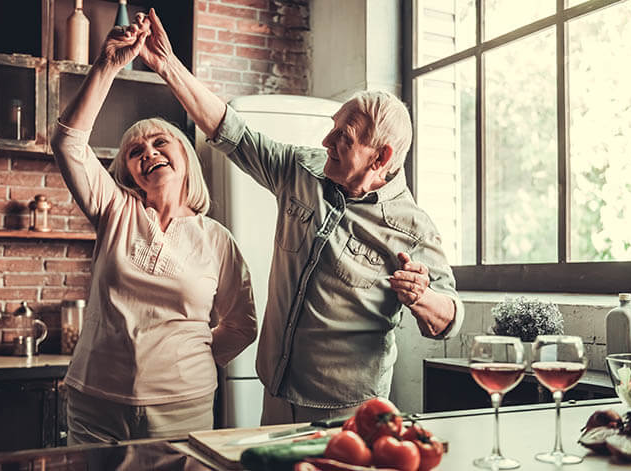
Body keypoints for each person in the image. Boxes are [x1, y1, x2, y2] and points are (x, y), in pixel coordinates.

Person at [136, 9, 464, 424]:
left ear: (380, 158)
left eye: (342, 138)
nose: (325, 140)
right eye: (332, 128)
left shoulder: (413, 228)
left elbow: (449, 320)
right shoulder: (302, 170)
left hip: (347, 410)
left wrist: (423, 297)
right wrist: (168, 66)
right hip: (275, 390)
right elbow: (230, 129)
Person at [50, 22, 257, 443]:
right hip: (97, 403)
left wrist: (187, 362)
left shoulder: (216, 239)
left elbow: (241, 325)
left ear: (185, 156)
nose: (149, 153)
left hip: (185, 406)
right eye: (135, 152)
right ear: (128, 171)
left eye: (161, 142)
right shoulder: (115, 210)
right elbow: (69, 143)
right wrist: (107, 66)